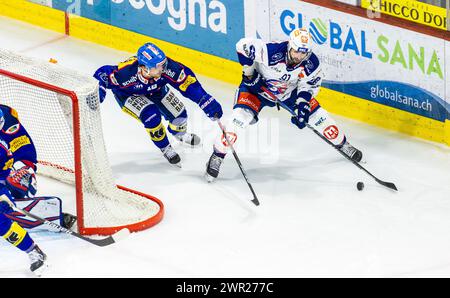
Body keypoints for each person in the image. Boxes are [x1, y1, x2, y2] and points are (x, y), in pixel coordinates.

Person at [205, 28, 363, 181]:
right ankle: (217, 156)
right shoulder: (272, 51)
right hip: (256, 90)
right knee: (238, 122)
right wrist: (249, 74)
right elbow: (242, 46)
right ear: (290, 46)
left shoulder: (311, 64)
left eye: (303, 53)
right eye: (296, 51)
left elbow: (308, 87)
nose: (299, 56)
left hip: (288, 93)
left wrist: (302, 106)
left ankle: (343, 144)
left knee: (318, 117)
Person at [93, 42, 223, 166]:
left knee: (180, 114)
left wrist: (204, 99)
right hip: (129, 94)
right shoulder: (126, 74)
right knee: (152, 116)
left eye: (163, 63)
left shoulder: (168, 68)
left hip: (156, 90)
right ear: (144, 68)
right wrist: (99, 88)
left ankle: (179, 134)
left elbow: (187, 82)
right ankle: (165, 147)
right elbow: (103, 73)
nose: (163, 68)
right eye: (158, 66)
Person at [0, 104, 76, 275]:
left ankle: (33, 251)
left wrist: (21, 171)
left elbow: (24, 150)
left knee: (2, 215)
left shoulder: (7, 120)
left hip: (8, 171)